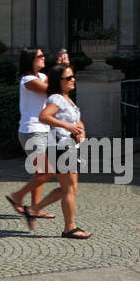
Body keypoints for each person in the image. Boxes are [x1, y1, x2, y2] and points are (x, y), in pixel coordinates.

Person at [29, 63, 91, 238]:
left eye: (73, 76)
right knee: (69, 189)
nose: (73, 80)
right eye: (68, 78)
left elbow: (78, 123)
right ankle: (69, 227)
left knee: (69, 189)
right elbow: (44, 116)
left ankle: (34, 209)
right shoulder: (56, 98)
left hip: (68, 146)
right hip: (61, 147)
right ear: (59, 81)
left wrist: (81, 132)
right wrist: (68, 126)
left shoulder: (66, 99)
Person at [6, 46, 56, 222]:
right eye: (40, 56)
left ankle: (35, 208)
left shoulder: (41, 77)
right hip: (31, 131)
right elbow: (52, 90)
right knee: (47, 171)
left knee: (40, 172)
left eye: (43, 55)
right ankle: (17, 196)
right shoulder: (27, 80)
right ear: (30, 60)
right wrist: (61, 69)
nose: (44, 58)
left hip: (43, 130)